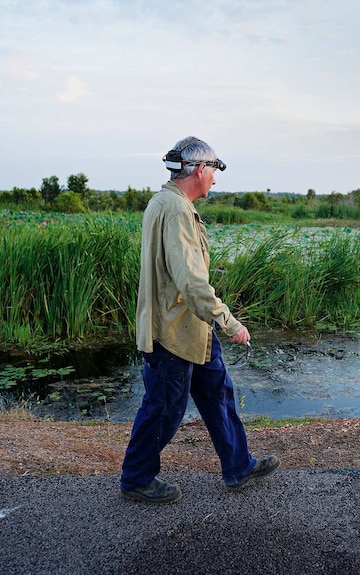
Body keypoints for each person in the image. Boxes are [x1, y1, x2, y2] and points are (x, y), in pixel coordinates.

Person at [120, 136, 279, 504]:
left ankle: (238, 465)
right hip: (173, 332)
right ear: (201, 169)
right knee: (163, 410)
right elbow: (191, 281)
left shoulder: (164, 202)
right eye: (214, 172)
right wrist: (230, 321)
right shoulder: (175, 210)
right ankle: (136, 479)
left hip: (194, 331)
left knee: (218, 395)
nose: (215, 181)